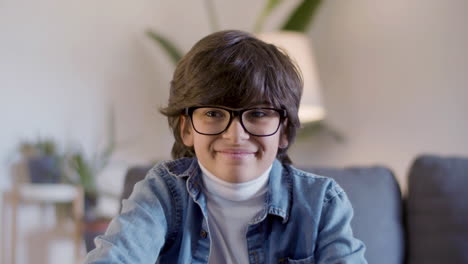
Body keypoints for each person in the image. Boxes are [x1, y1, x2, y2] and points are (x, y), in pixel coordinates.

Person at [85, 30, 367, 264]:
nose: (235, 135)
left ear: (284, 131)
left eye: (257, 114)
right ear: (186, 129)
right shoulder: (162, 193)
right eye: (213, 114)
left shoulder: (322, 202)